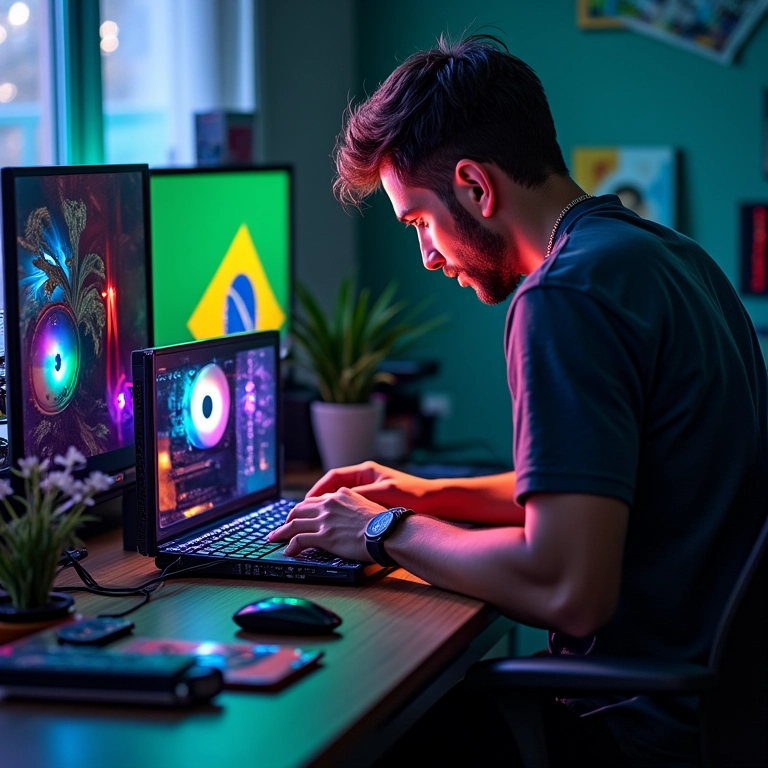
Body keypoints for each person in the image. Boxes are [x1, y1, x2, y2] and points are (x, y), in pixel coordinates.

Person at [268, 33, 768, 766]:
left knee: (349, 735)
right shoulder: (665, 258)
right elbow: (607, 486)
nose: (428, 256)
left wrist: (384, 533)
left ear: (475, 185)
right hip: (714, 713)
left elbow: (569, 588)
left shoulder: (563, 297)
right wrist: (425, 494)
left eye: (419, 223)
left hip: (630, 733)